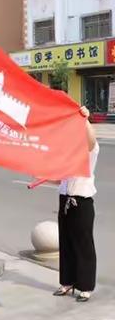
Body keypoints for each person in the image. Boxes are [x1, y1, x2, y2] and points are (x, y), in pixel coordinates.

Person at [54, 106, 99, 303]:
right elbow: (58, 178)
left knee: (83, 244)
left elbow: (91, 140)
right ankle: (67, 282)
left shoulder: (89, 152)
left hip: (82, 201)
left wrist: (84, 119)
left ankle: (85, 286)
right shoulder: (66, 154)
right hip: (65, 200)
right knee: (65, 242)